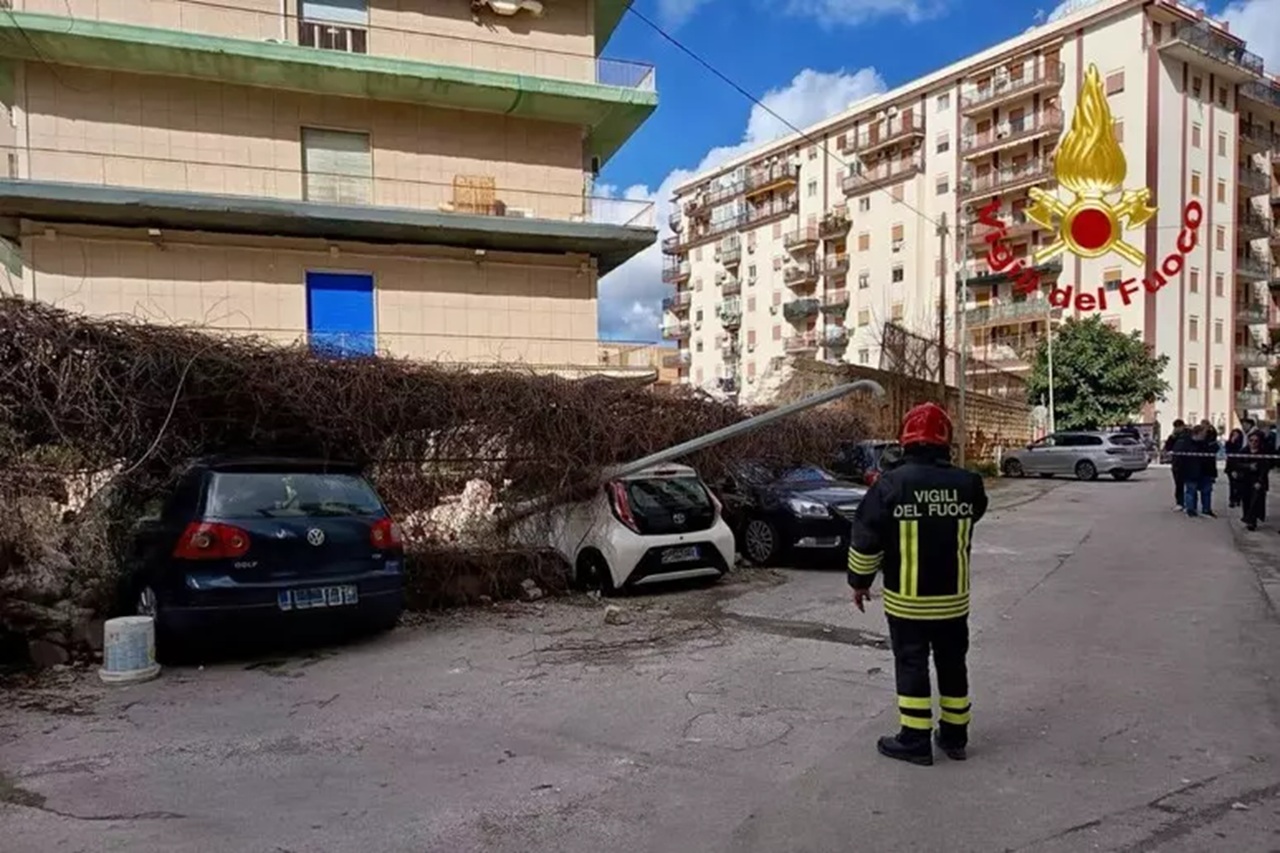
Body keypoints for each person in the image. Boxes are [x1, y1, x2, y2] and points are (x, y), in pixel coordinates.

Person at [846, 402, 988, 766]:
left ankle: (914, 739)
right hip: (953, 602)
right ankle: (955, 737)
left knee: (912, 664)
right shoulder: (968, 484)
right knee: (953, 664)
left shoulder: (890, 485)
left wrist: (859, 583)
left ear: (905, 440)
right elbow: (977, 512)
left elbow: (865, 539)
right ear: (946, 441)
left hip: (907, 602)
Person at [1237, 430, 1271, 531]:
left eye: (1256, 441)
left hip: (1257, 480)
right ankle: (1247, 517)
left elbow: (1265, 469)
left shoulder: (1263, 453)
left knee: (1255, 500)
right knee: (1246, 500)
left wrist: (1260, 482)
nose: (1253, 443)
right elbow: (1237, 464)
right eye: (1251, 440)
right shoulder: (1243, 451)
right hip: (1245, 479)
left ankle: (1251, 521)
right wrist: (1248, 466)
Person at [1164, 419, 1187, 510]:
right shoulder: (1174, 436)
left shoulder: (1188, 434)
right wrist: (1172, 437)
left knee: (1190, 485)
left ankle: (1190, 504)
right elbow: (1168, 447)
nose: (1177, 429)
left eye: (1178, 427)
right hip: (1177, 463)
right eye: (1175, 427)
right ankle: (1180, 503)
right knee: (1179, 484)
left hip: (1187, 463)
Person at [1224, 428, 1246, 509]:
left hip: (1239, 466)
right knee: (1232, 484)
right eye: (1233, 434)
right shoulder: (1229, 443)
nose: (1235, 436)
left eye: (1236, 435)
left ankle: (1238, 498)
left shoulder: (1242, 444)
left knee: (1239, 484)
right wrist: (1232, 442)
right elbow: (1228, 452)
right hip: (1230, 466)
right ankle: (1232, 500)